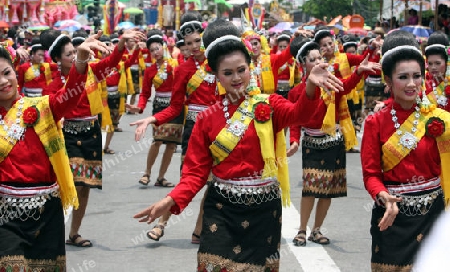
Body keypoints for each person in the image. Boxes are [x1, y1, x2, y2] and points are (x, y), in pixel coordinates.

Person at [133, 18, 344, 271]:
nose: (236, 78)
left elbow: (302, 115)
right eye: (228, 73)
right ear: (216, 75)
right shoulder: (206, 119)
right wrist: (171, 200)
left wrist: (310, 85)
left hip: (264, 209)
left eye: (241, 70)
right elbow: (195, 173)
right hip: (221, 209)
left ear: (250, 68)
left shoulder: (269, 104)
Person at [0, 35, 109, 270]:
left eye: (6, 73)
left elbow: (68, 96)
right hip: (5, 215)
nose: (3, 81)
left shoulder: (41, 106)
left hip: (46, 212)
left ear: (14, 73)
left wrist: (80, 61)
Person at [41, 28, 146, 248]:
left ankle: (74, 232)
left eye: (76, 52)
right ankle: (52, 229)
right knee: (68, 185)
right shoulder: (52, 83)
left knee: (86, 185)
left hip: (91, 132)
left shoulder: (91, 71)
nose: (75, 56)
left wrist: (120, 45)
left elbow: (111, 62)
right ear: (58, 59)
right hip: (67, 136)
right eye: (69, 54)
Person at [361, 30, 449, 271]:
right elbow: (370, 175)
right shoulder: (375, 122)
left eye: (417, 76)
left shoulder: (437, 118)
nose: (412, 84)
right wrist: (383, 195)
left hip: (433, 214)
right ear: (388, 81)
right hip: (392, 215)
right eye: (403, 77)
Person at [129, 12, 217, 243]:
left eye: (198, 41)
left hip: (219, 129)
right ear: (183, 47)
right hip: (194, 131)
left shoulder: (218, 63)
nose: (194, 46)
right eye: (189, 44)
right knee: (187, 180)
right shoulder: (183, 70)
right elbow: (175, 107)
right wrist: (152, 119)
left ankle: (199, 229)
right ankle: (161, 225)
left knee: (214, 182)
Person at [288, 38, 380, 247]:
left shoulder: (332, 81)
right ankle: (302, 230)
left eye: (320, 56)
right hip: (313, 142)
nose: (319, 60)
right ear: (304, 65)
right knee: (311, 189)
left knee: (328, 190)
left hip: (334, 142)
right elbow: (295, 121)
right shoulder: (297, 92)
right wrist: (294, 141)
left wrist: (359, 72)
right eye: (313, 59)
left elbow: (346, 88)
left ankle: (317, 230)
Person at [126, 30, 182, 187]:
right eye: (152, 50)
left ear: (164, 47)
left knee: (171, 145)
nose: (155, 52)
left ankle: (161, 177)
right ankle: (147, 172)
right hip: (159, 106)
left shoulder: (176, 65)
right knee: (157, 141)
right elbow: (144, 93)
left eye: (158, 48)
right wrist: (139, 107)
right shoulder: (150, 71)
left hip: (175, 107)